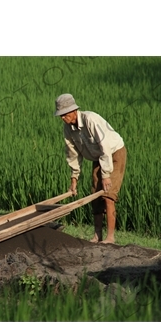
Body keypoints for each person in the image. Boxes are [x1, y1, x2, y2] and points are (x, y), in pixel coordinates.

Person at [54, 93, 127, 244]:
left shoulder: (90, 119)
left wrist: (106, 174)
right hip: (98, 157)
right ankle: (97, 235)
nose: (62, 118)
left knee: (108, 194)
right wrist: (74, 179)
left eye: (64, 114)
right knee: (95, 195)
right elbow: (72, 154)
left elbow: (105, 147)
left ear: (73, 111)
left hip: (113, 153)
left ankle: (110, 237)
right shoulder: (68, 128)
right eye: (60, 115)